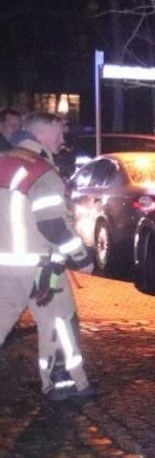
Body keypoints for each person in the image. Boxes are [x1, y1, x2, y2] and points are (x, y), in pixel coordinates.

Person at [0, 112, 95, 399]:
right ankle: (64, 382)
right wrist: (81, 256)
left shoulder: (3, 161)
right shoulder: (42, 172)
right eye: (58, 134)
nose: (62, 140)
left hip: (4, 265)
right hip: (40, 267)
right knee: (59, 322)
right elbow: (52, 224)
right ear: (39, 135)